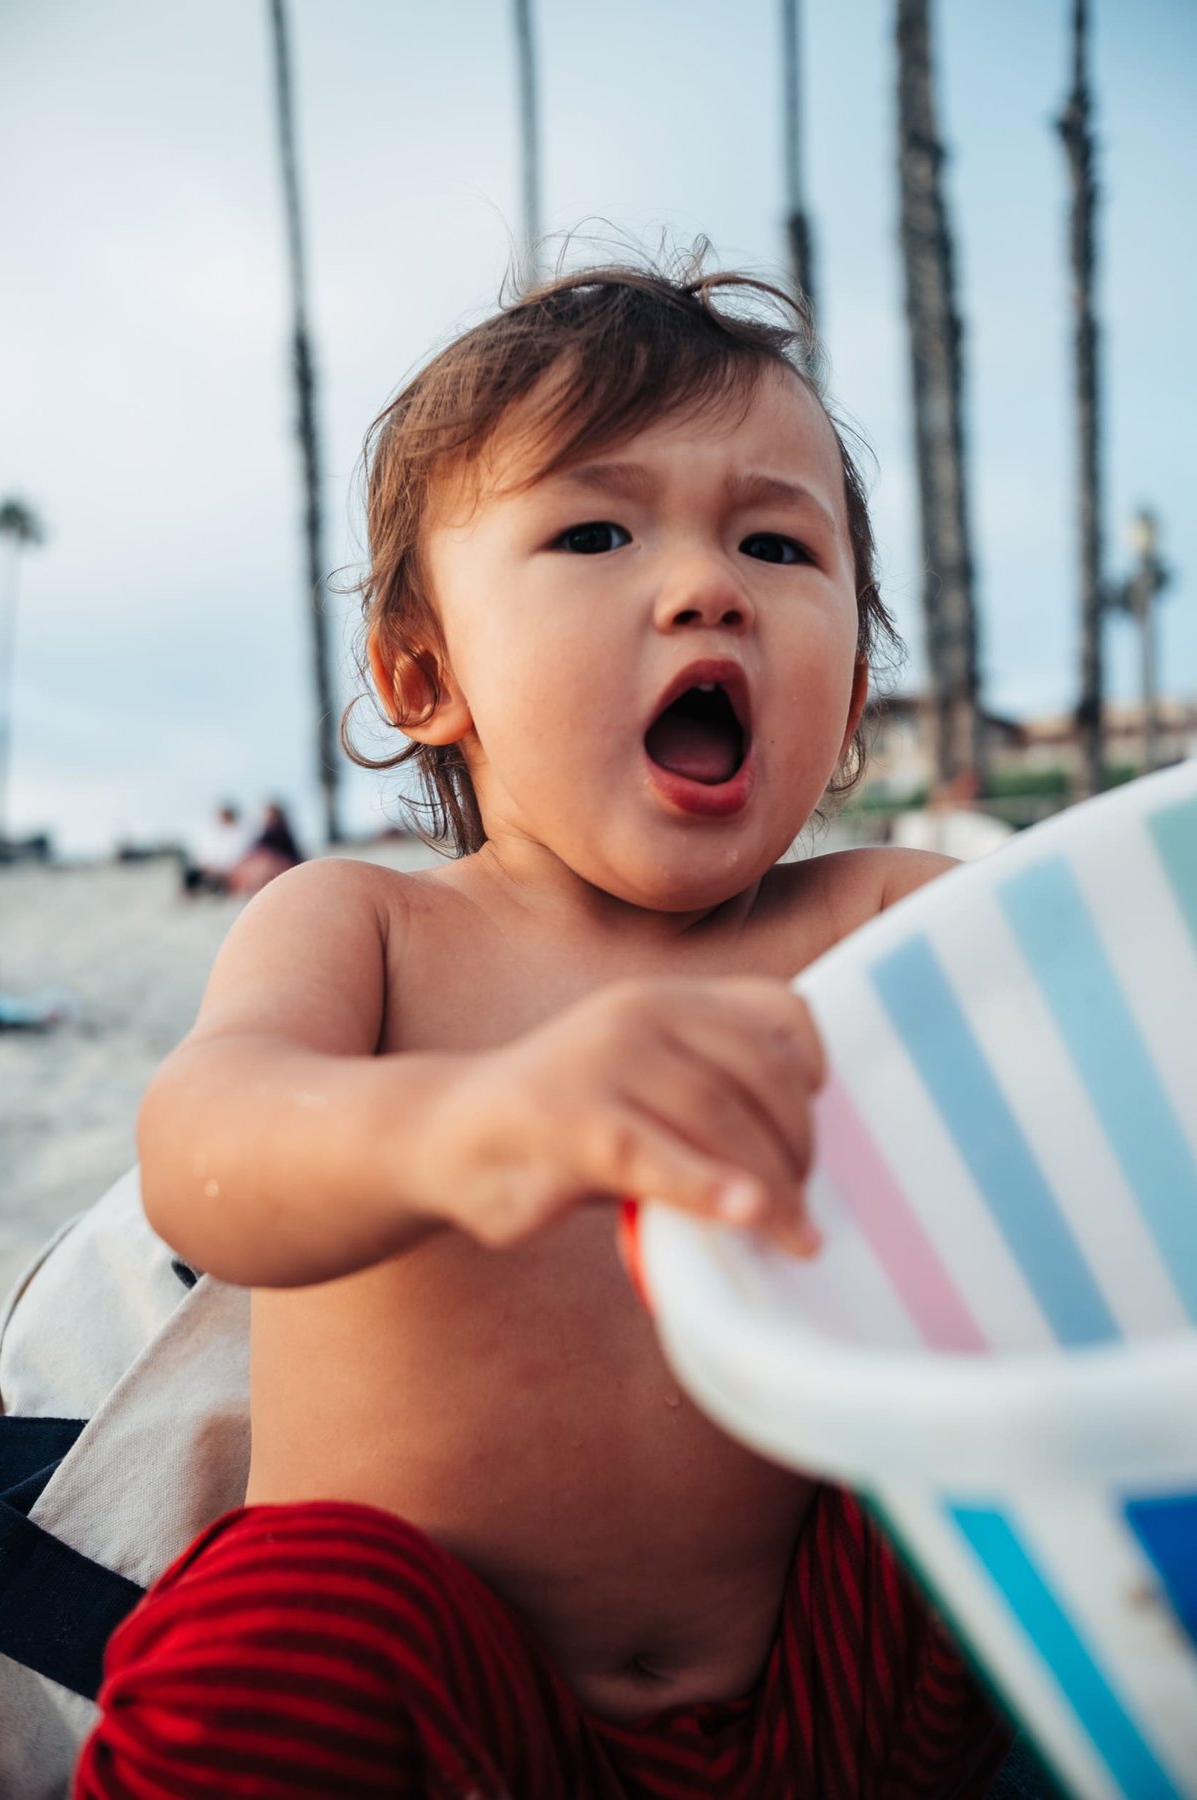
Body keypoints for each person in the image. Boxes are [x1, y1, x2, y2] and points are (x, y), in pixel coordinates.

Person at [76, 261, 1011, 1798]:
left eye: (777, 544)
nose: (709, 587)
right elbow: (203, 1151)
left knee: (994, 1457)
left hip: (830, 1699)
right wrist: (477, 1122)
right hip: (448, 1721)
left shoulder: (882, 923)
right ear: (425, 673)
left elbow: (1117, 1012)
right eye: (596, 533)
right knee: (283, 1624)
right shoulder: (368, 927)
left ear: (850, 700)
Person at [226, 798, 305, 896]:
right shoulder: (266, 832)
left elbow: (272, 852)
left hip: (283, 866)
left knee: (263, 865)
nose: (266, 817)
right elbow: (255, 849)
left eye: (269, 814)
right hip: (273, 865)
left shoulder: (280, 832)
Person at [179, 801, 249, 896]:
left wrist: (217, 868)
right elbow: (205, 852)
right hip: (207, 867)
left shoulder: (239, 834)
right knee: (190, 872)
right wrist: (205, 865)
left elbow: (236, 856)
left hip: (225, 870)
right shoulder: (214, 833)